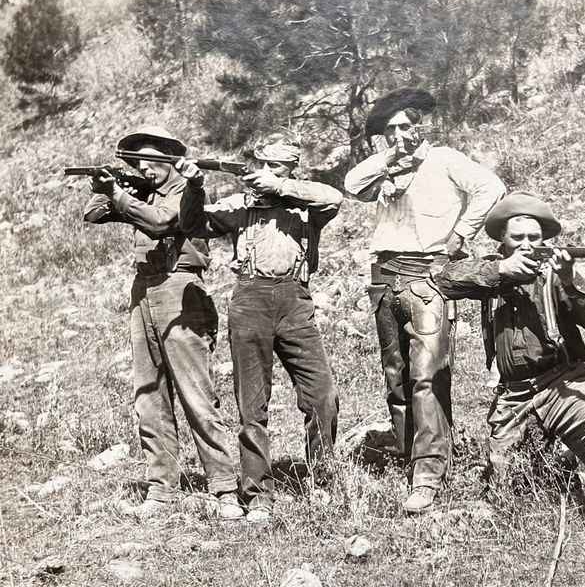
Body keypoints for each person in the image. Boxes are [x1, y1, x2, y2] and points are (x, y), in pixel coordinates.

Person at [433, 192, 585, 582]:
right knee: (504, 489)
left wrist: (566, 281)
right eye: (517, 238)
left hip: (564, 383)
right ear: (503, 242)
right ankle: (570, 453)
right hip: (514, 397)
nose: (527, 245)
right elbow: (444, 279)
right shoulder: (492, 270)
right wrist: (502, 272)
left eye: (534, 237)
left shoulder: (558, 273)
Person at [344, 87, 506, 514]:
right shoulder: (384, 167)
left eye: (406, 126)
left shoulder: (445, 159)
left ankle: (429, 472)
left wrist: (459, 238)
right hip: (384, 276)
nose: (399, 134)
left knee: (426, 374)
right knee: (395, 374)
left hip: (427, 275)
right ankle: (407, 456)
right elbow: (350, 185)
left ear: (421, 126)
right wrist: (389, 157)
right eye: (390, 129)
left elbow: (491, 187)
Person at [179, 133, 341, 523]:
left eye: (278, 166)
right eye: (263, 165)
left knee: (322, 396)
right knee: (253, 406)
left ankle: (322, 481)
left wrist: (282, 188)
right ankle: (257, 495)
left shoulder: (305, 205)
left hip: (295, 302)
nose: (268, 172)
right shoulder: (240, 206)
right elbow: (193, 223)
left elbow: (333, 199)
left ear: (291, 168)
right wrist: (194, 185)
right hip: (249, 301)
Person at [83, 126, 242, 520]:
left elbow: (160, 223)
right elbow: (93, 214)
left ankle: (224, 488)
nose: (144, 168)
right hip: (145, 290)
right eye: (137, 163)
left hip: (180, 289)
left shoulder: (186, 192)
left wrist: (123, 196)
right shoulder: (142, 193)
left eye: (151, 162)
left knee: (196, 395)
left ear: (170, 161)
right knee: (149, 395)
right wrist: (110, 188)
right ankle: (161, 489)